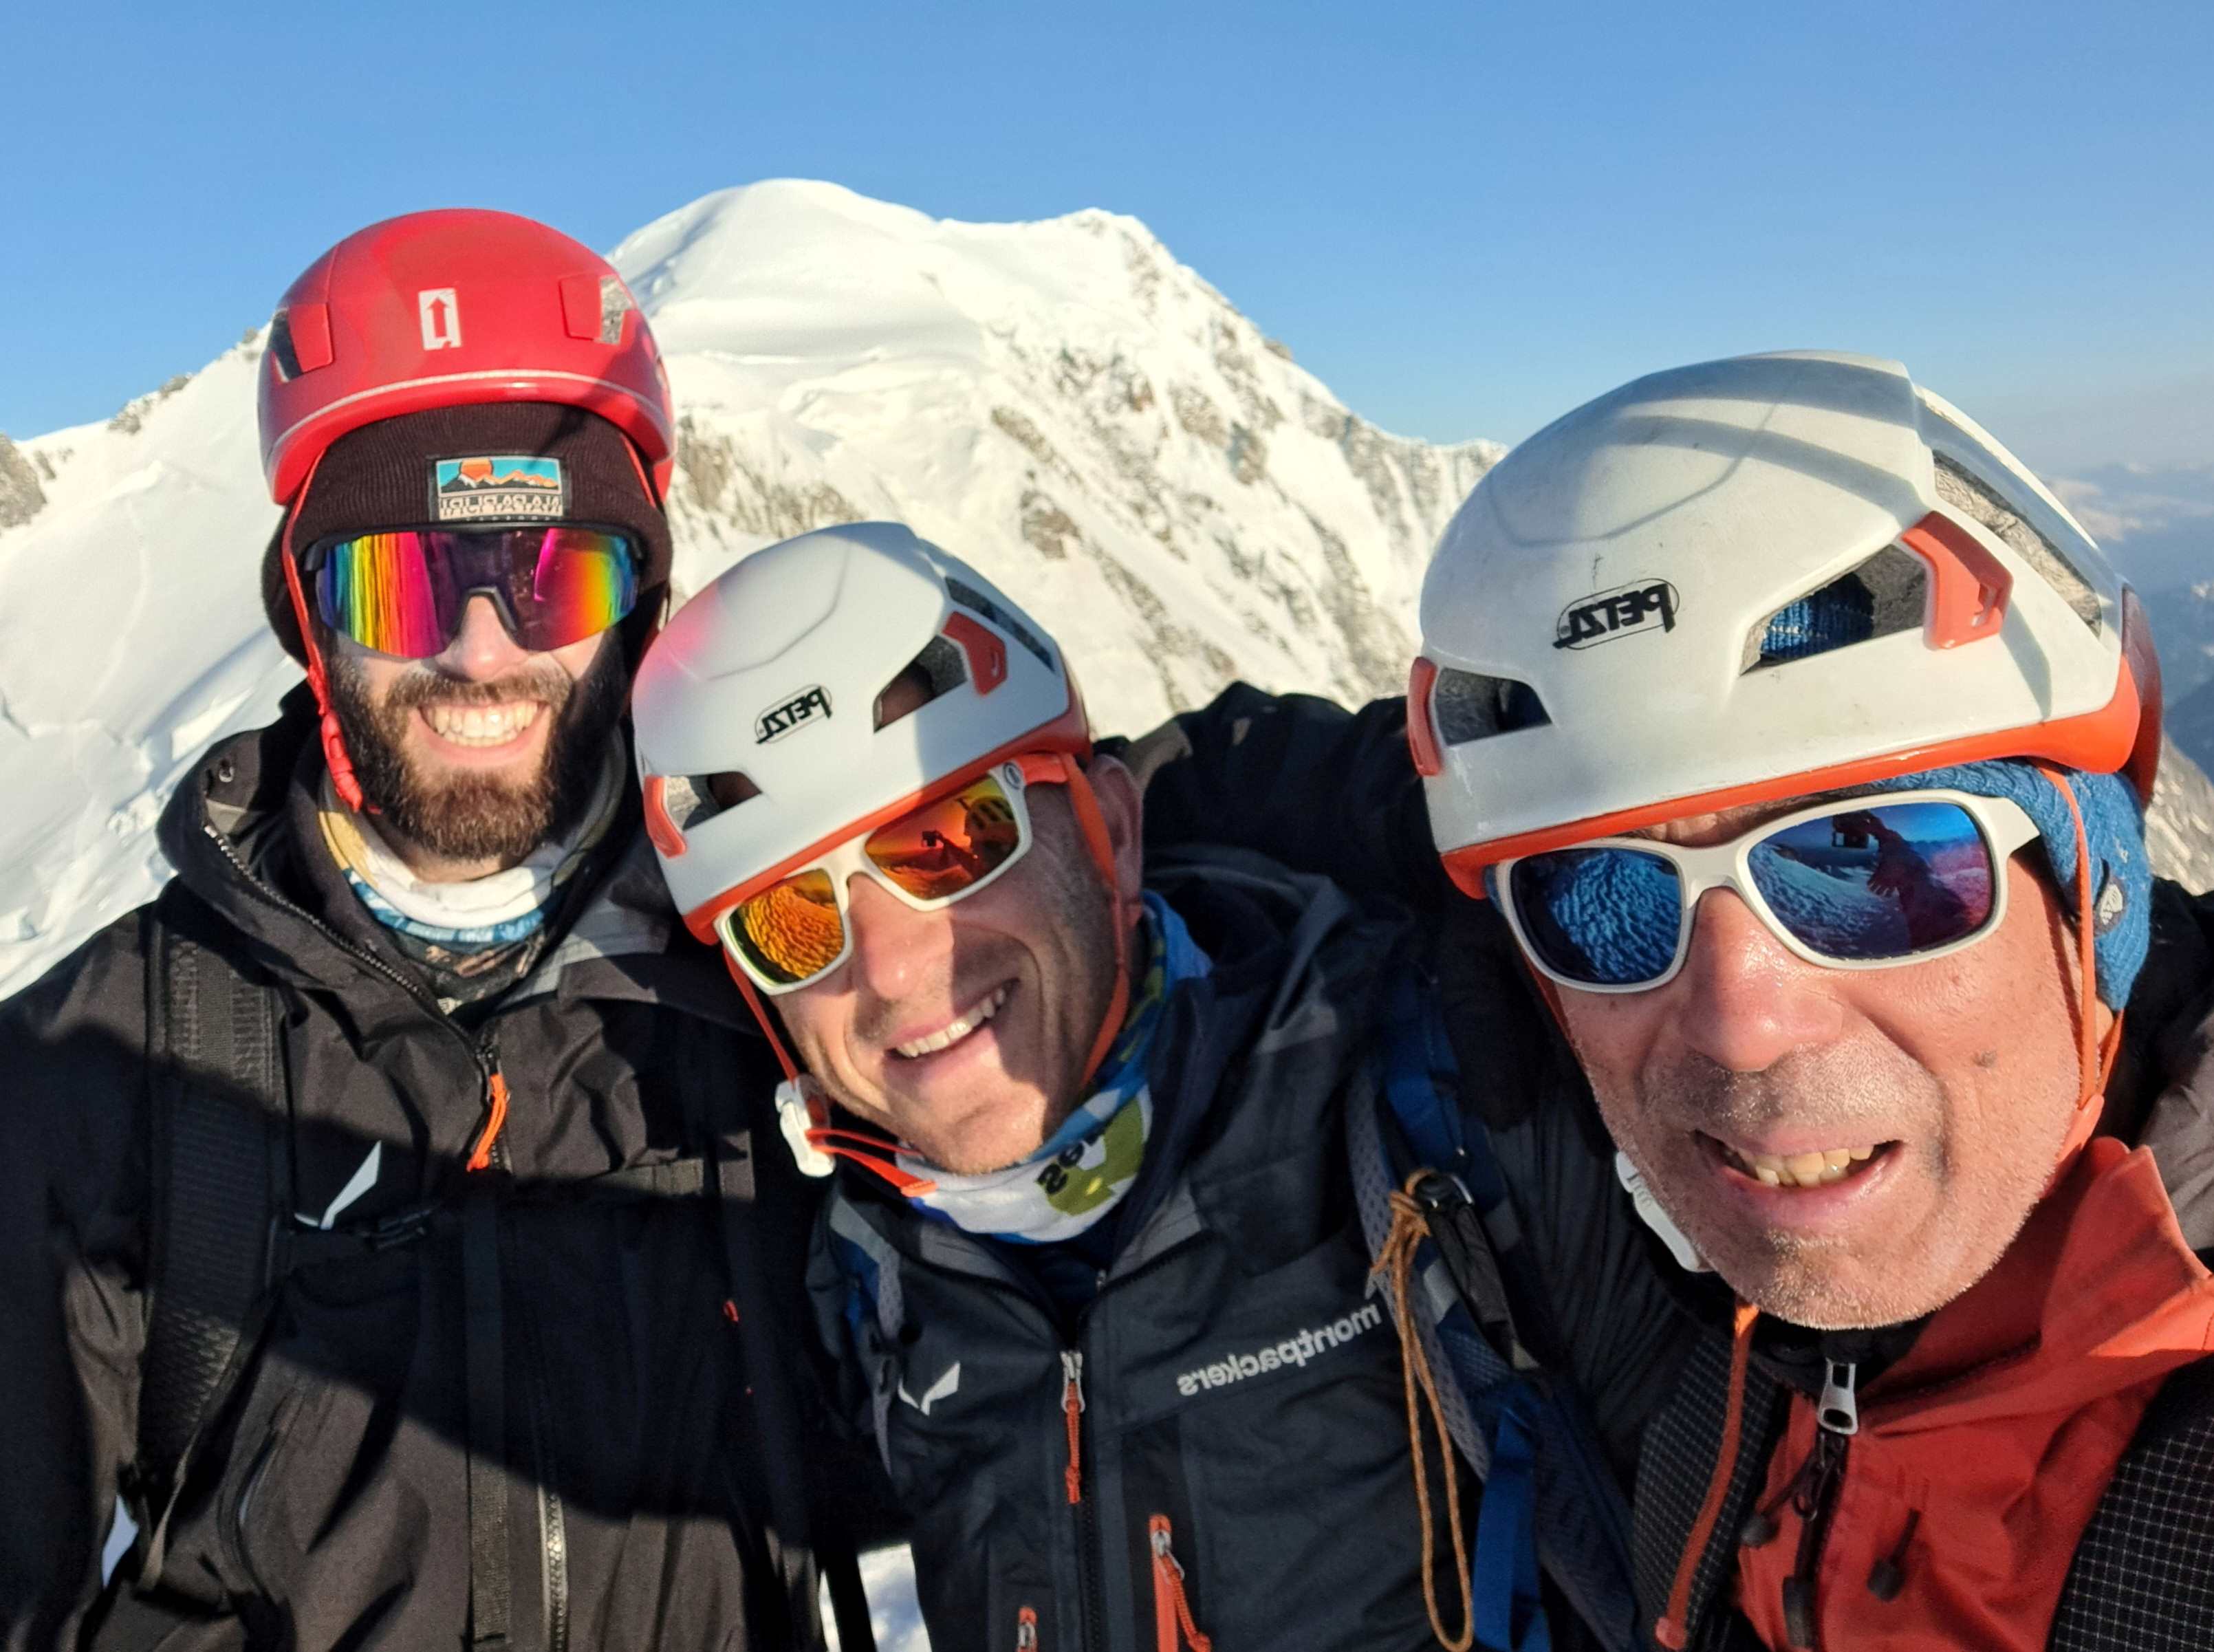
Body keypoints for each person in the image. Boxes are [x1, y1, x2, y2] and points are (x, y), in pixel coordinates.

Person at [1137, 351, 2214, 1650]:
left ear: (2094, 889)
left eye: (1871, 860)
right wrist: (1034, 843)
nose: (1737, 1020)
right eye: (1609, 896)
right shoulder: (1708, 1337)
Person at [0, 210, 876, 1651]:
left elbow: (1085, 841)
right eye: (403, 581)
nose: (480, 651)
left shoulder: (780, 958)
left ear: (638, 611)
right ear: (307, 611)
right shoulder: (92, 1073)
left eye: (555, 577)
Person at [631, 521, 1686, 1651]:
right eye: (792, 923)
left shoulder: (1446, 1115)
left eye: (948, 841)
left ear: (1114, 830)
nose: (892, 967)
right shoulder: (868, 1280)